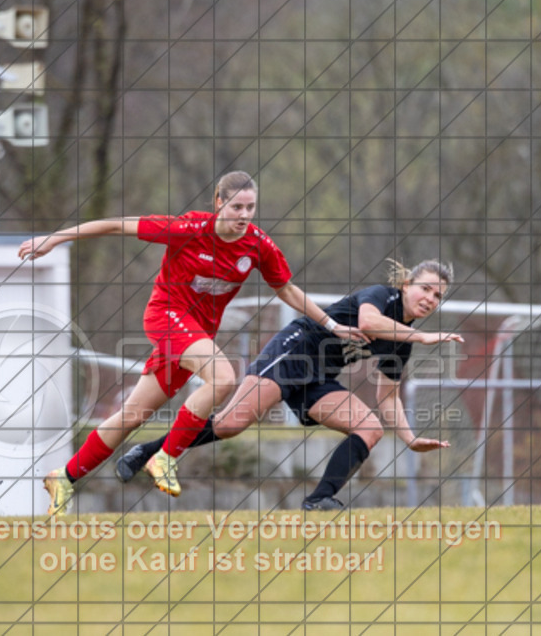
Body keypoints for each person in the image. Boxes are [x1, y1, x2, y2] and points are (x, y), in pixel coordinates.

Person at [18, 171, 364, 516]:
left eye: (250, 207)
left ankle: (63, 477)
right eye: (236, 206)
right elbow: (116, 225)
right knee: (224, 377)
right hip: (166, 316)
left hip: (194, 335)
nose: (244, 215)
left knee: (133, 415)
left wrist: (332, 324)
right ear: (218, 203)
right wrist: (54, 238)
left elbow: (287, 289)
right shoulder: (187, 229)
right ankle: (164, 458)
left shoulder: (258, 246)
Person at [115, 258, 464, 511]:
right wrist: (425, 337)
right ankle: (146, 452)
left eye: (438, 296)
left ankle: (318, 500)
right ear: (406, 286)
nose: (431, 298)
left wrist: (410, 439)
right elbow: (369, 321)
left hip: (320, 376)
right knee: (231, 424)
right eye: (426, 289)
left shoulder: (401, 343)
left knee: (370, 427)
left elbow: (387, 396)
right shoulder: (381, 297)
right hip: (295, 349)